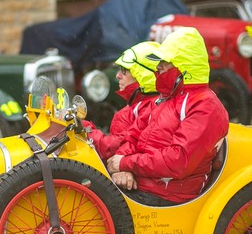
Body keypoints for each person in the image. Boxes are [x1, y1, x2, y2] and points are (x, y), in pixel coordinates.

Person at [105, 27, 230, 206]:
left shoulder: (205, 105)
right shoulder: (165, 98)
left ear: (184, 66)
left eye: (164, 61)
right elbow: (132, 136)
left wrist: (126, 163)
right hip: (140, 186)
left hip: (165, 197)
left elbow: (178, 160)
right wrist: (121, 169)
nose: (157, 67)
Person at [85, 40, 160, 160]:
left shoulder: (151, 109)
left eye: (124, 70)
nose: (118, 75)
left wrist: (84, 130)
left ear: (142, 74)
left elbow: (113, 149)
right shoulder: (139, 106)